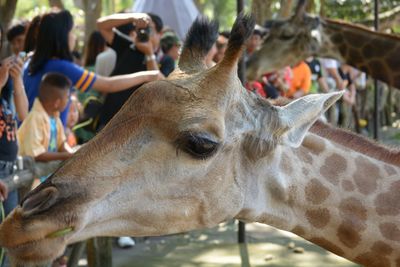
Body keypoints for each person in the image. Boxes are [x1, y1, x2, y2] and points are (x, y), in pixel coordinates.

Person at [23, 10, 160, 127]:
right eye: (72, 32)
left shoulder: (30, 62)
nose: (74, 37)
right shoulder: (62, 67)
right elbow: (108, 85)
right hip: (44, 146)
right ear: (62, 36)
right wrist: (147, 75)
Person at [96, 12, 164, 130]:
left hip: (136, 127)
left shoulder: (165, 59)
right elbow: (101, 25)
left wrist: (149, 54)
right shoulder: (128, 46)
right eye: (141, 29)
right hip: (109, 119)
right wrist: (132, 17)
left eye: (149, 29)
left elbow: (160, 88)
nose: (144, 32)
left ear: (160, 34)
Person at [0, 22, 28, 267]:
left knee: (10, 236)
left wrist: (16, 80)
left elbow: (22, 113)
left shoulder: (5, 72)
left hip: (8, 167)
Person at [18, 73, 74, 167]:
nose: (68, 100)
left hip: (45, 172)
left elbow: (61, 144)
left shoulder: (55, 118)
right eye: (67, 97)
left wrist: (72, 153)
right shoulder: (35, 118)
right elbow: (36, 154)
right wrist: (66, 156)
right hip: (31, 176)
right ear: (57, 102)